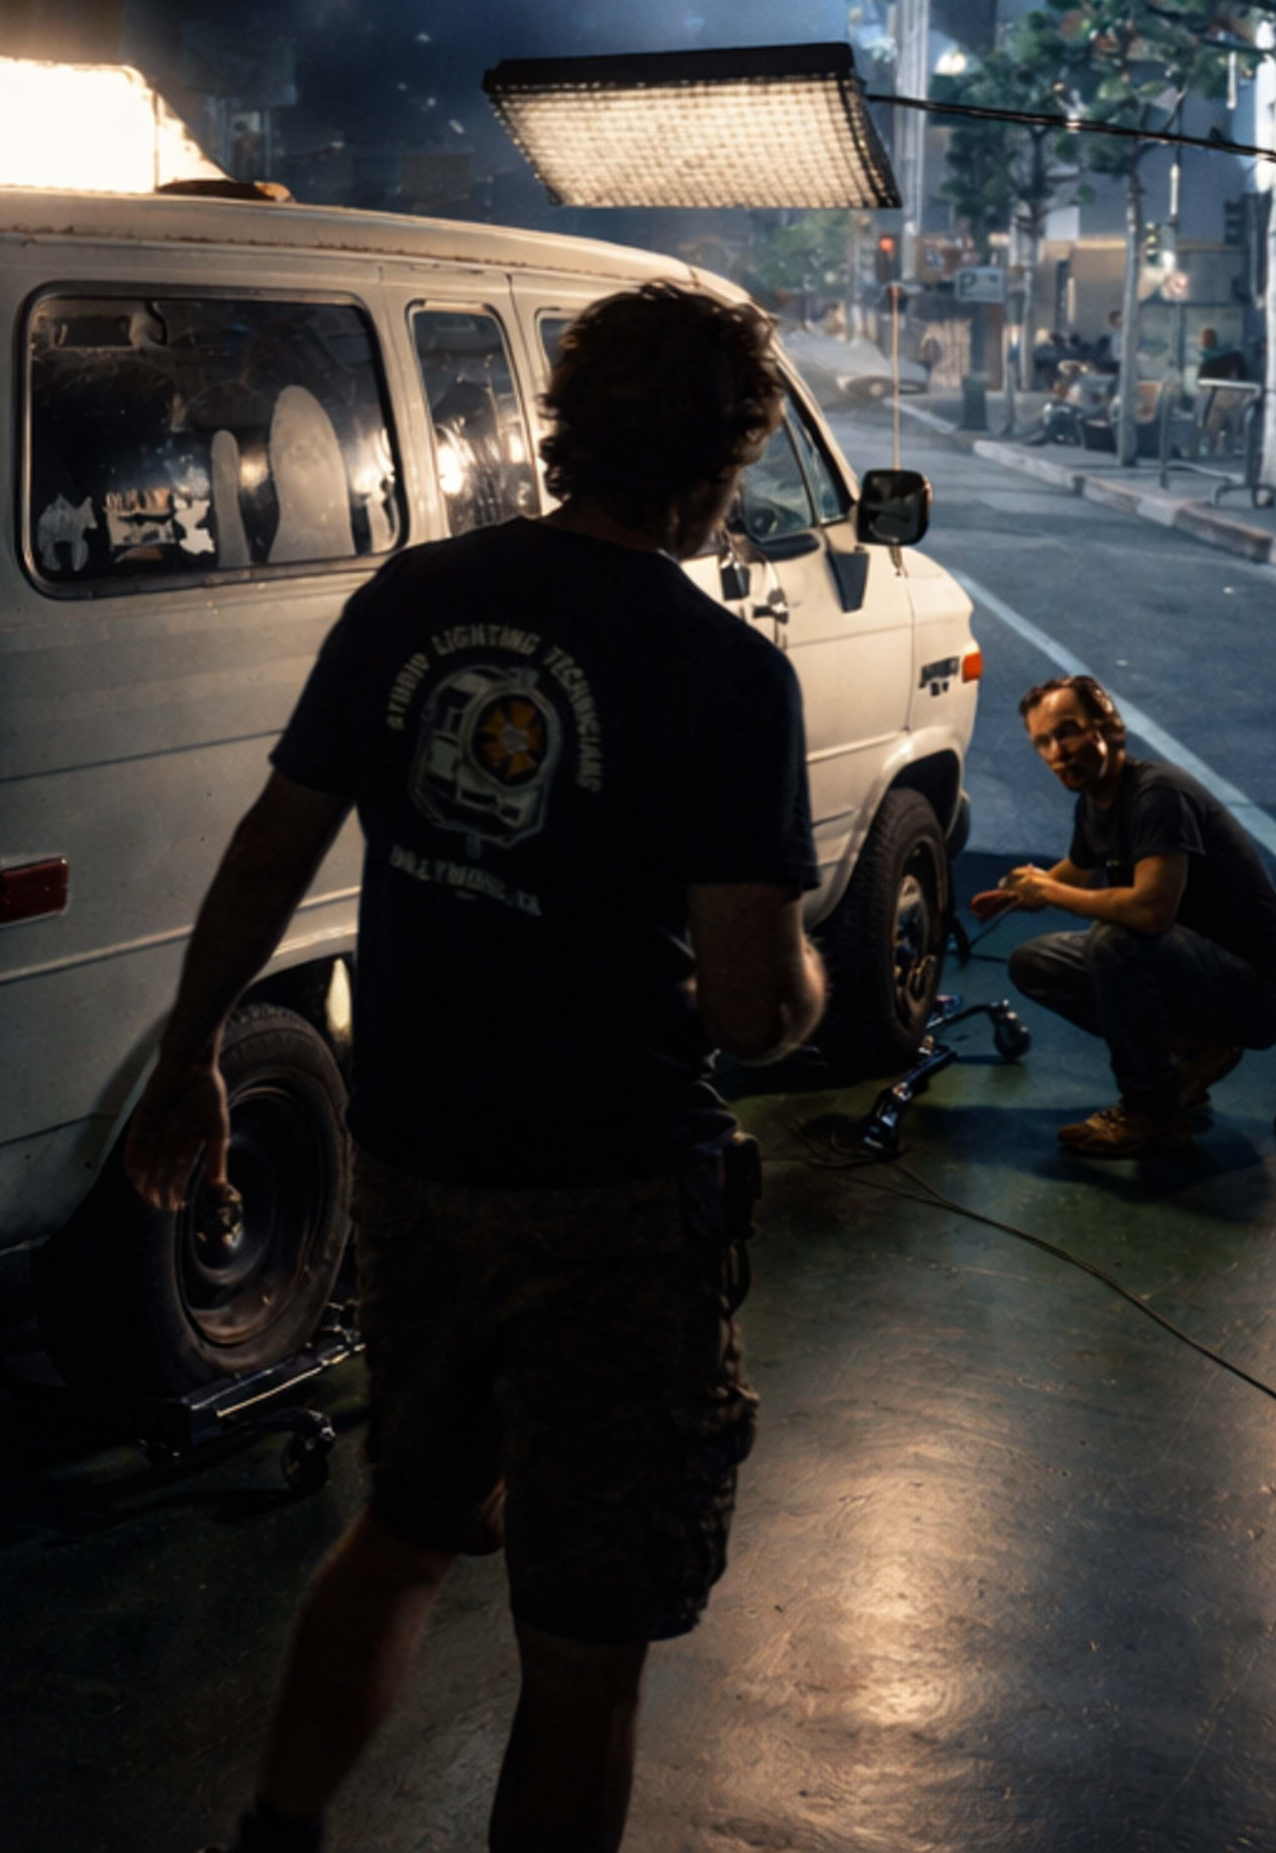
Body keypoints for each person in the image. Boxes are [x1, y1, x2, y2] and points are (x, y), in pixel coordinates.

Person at [126, 280, 827, 1853]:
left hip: (418, 1171)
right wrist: (807, 964)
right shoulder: (725, 675)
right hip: (612, 1205)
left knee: (407, 1527)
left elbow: (269, 846)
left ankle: (278, 1835)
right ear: (726, 459)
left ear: (566, 426)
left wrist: (190, 1054)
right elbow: (750, 1009)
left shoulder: (413, 599)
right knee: (582, 1651)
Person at [979, 674, 1276, 1154]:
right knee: (1035, 962)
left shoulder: (1157, 795)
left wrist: (1049, 891)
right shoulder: (1097, 800)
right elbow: (1081, 869)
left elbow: (1151, 911)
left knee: (1114, 942)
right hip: (1196, 968)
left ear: (1107, 726)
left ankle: (1149, 1111)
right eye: (1043, 743)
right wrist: (1027, 887)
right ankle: (1194, 1053)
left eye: (1067, 731)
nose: (1057, 751)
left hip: (1257, 991)